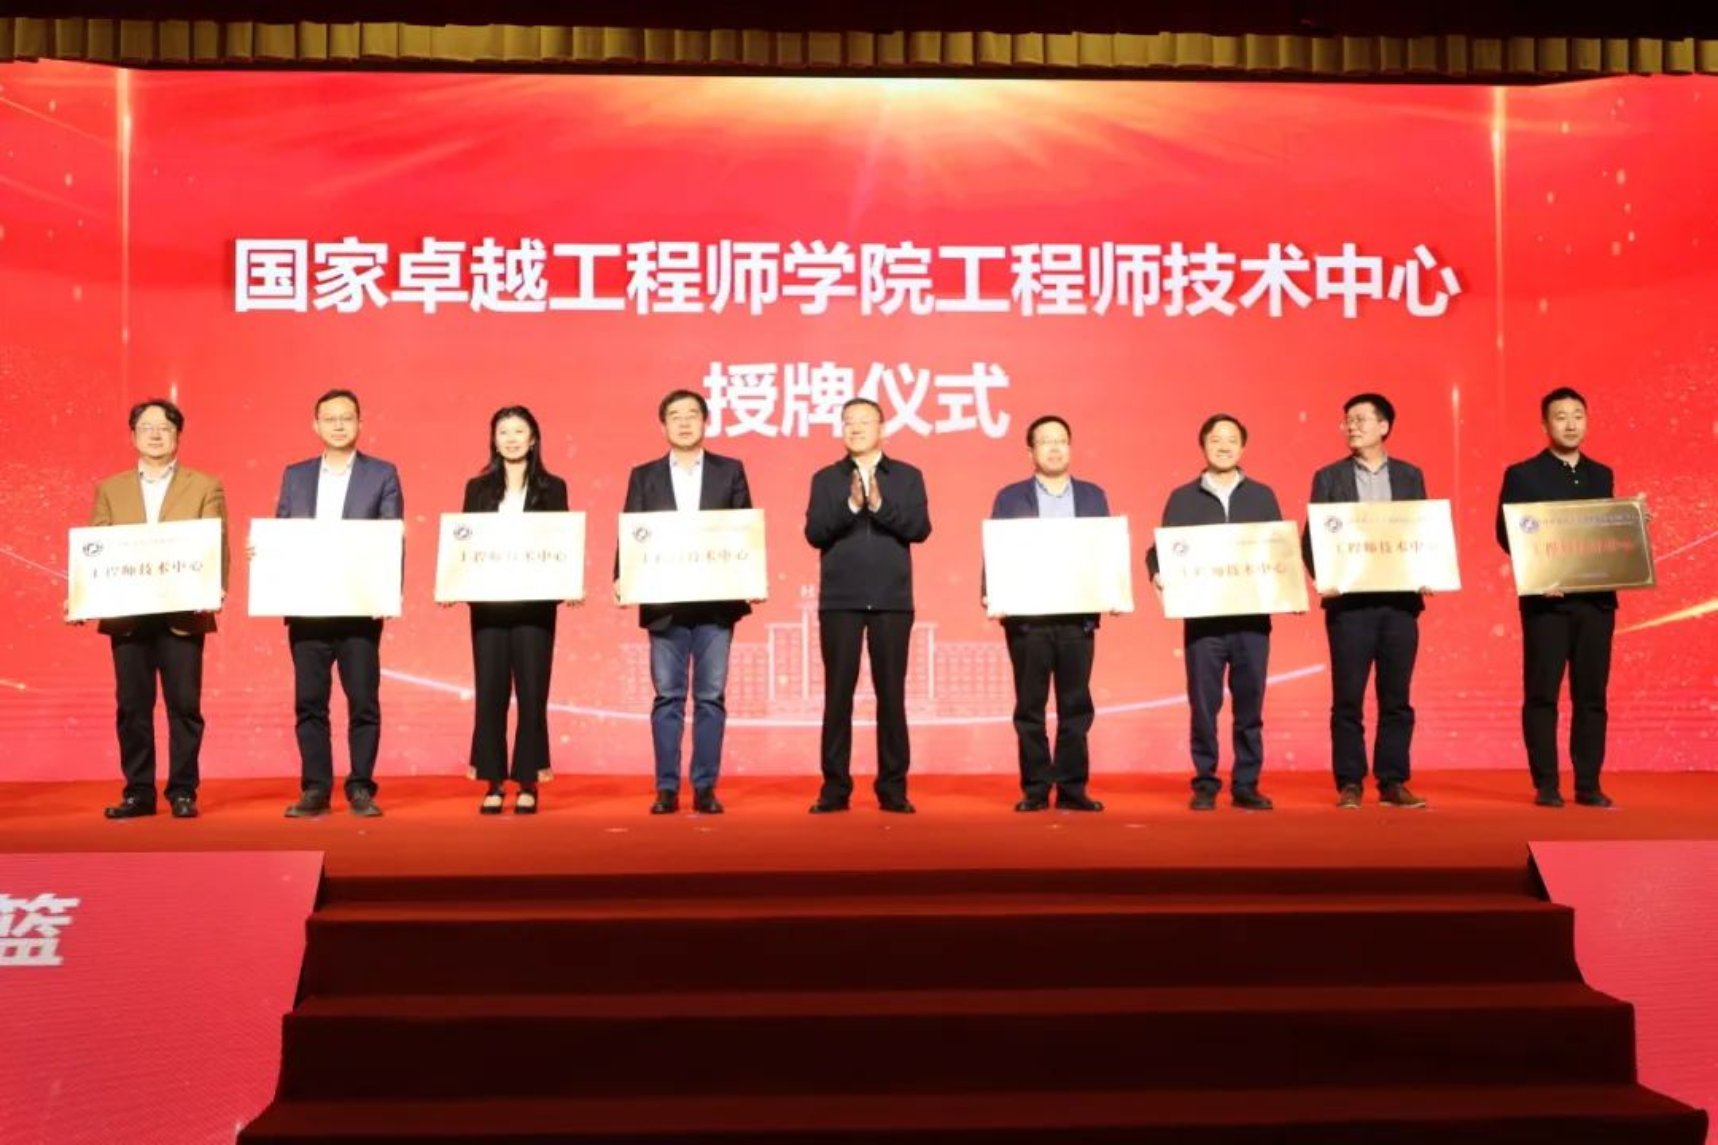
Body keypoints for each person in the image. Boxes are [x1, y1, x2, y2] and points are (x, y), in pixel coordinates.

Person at [84, 399, 229, 820]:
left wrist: (214, 588)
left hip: (183, 613)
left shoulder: (204, 485)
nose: (155, 434)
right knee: (132, 706)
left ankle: (183, 791)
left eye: (164, 427)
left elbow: (215, 542)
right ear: (132, 435)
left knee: (184, 705)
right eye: (146, 427)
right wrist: (83, 595)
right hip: (127, 615)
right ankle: (138, 792)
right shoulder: (110, 489)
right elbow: (96, 550)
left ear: (177, 435)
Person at [618, 390, 754, 816]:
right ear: (663, 426)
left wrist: (752, 575)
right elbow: (632, 530)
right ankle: (666, 788)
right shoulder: (644, 475)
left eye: (691, 414)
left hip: (716, 603)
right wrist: (622, 576)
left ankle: (705, 787)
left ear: (705, 421)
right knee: (668, 697)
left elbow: (743, 530)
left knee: (711, 697)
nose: (683, 422)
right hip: (665, 605)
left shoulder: (729, 470)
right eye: (674, 416)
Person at [274, 389, 404, 819]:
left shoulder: (382, 473)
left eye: (346, 418)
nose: (338, 425)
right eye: (329, 418)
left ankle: (361, 786)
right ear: (316, 425)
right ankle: (315, 788)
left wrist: (387, 591)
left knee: (363, 701)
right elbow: (282, 532)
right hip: (308, 609)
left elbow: (391, 537)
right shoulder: (295, 475)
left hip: (358, 608)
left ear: (359, 423)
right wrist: (266, 554)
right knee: (310, 702)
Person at [1146, 414, 1283, 812]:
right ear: (1203, 445)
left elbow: (1280, 552)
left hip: (1252, 623)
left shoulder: (1262, 496)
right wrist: (1157, 572)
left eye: (1232, 439)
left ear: (1243, 447)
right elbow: (1161, 549)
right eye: (1216, 439)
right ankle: (1205, 782)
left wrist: (1287, 586)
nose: (1224, 446)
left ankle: (1246, 783)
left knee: (1250, 706)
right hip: (1203, 624)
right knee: (1204, 706)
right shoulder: (1182, 498)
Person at [804, 397, 931, 814]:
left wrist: (878, 505)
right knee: (837, 696)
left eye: (864, 421)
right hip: (840, 601)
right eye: (848, 422)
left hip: (893, 601)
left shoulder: (907, 476)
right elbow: (815, 532)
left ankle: (892, 788)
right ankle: (834, 788)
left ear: (883, 429)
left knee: (891, 696)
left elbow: (919, 528)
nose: (855, 428)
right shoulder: (826, 478)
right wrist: (851, 507)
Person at [1305, 392, 1430, 810]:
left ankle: (1392, 781)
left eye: (1361, 419)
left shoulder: (1410, 476)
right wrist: (1326, 576)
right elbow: (1312, 539)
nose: (1352, 426)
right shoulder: (1329, 477)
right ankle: (1350, 782)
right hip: (1350, 608)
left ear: (1384, 426)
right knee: (1348, 698)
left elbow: (1422, 533)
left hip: (1399, 605)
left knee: (1397, 698)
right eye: (1348, 420)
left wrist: (1428, 570)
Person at [1496, 386, 1617, 809]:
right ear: (1545, 424)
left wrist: (1632, 524)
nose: (1570, 424)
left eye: (1578, 415)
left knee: (1592, 696)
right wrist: (1540, 575)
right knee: (1542, 693)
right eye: (1561, 416)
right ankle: (1546, 783)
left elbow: (1605, 531)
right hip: (1546, 602)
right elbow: (1507, 533)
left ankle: (1588, 783)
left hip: (1596, 601)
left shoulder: (1602, 474)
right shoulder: (1523, 474)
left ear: (1587, 421)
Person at [986, 415, 1108, 813]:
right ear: (1031, 452)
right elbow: (997, 549)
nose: (1054, 448)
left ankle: (1072, 788)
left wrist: (1113, 589)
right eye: (1045, 441)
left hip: (1077, 618)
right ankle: (1036, 788)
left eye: (1061, 441)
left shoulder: (1093, 496)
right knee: (1030, 707)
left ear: (1070, 447)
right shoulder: (1010, 497)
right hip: (1028, 619)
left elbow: (1104, 551)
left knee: (1076, 706)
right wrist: (992, 592)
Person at [463, 405, 569, 815]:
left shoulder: (553, 488)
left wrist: (568, 581)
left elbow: (562, 541)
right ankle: (493, 781)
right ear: (494, 439)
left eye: (518, 431)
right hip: (488, 605)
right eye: (503, 432)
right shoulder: (477, 488)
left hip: (535, 606)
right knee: (489, 692)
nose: (511, 439)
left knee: (532, 692)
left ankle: (528, 780)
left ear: (533, 438)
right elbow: (464, 542)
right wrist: (452, 581)